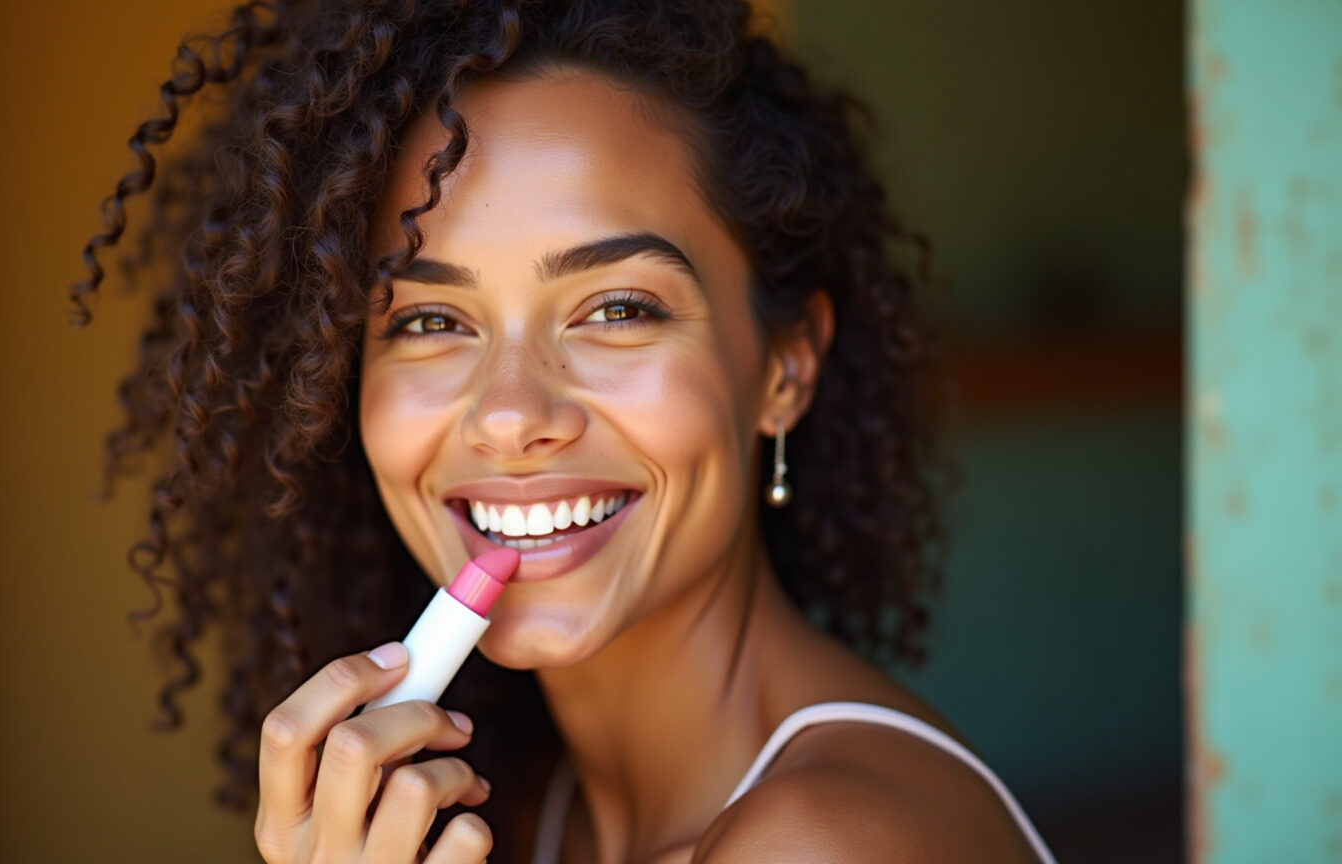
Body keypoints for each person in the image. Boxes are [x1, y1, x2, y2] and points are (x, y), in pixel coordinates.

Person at [71, 1, 1057, 861]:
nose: (508, 414)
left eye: (618, 309)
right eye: (428, 322)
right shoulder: (515, 809)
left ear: (784, 368)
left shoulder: (824, 847)